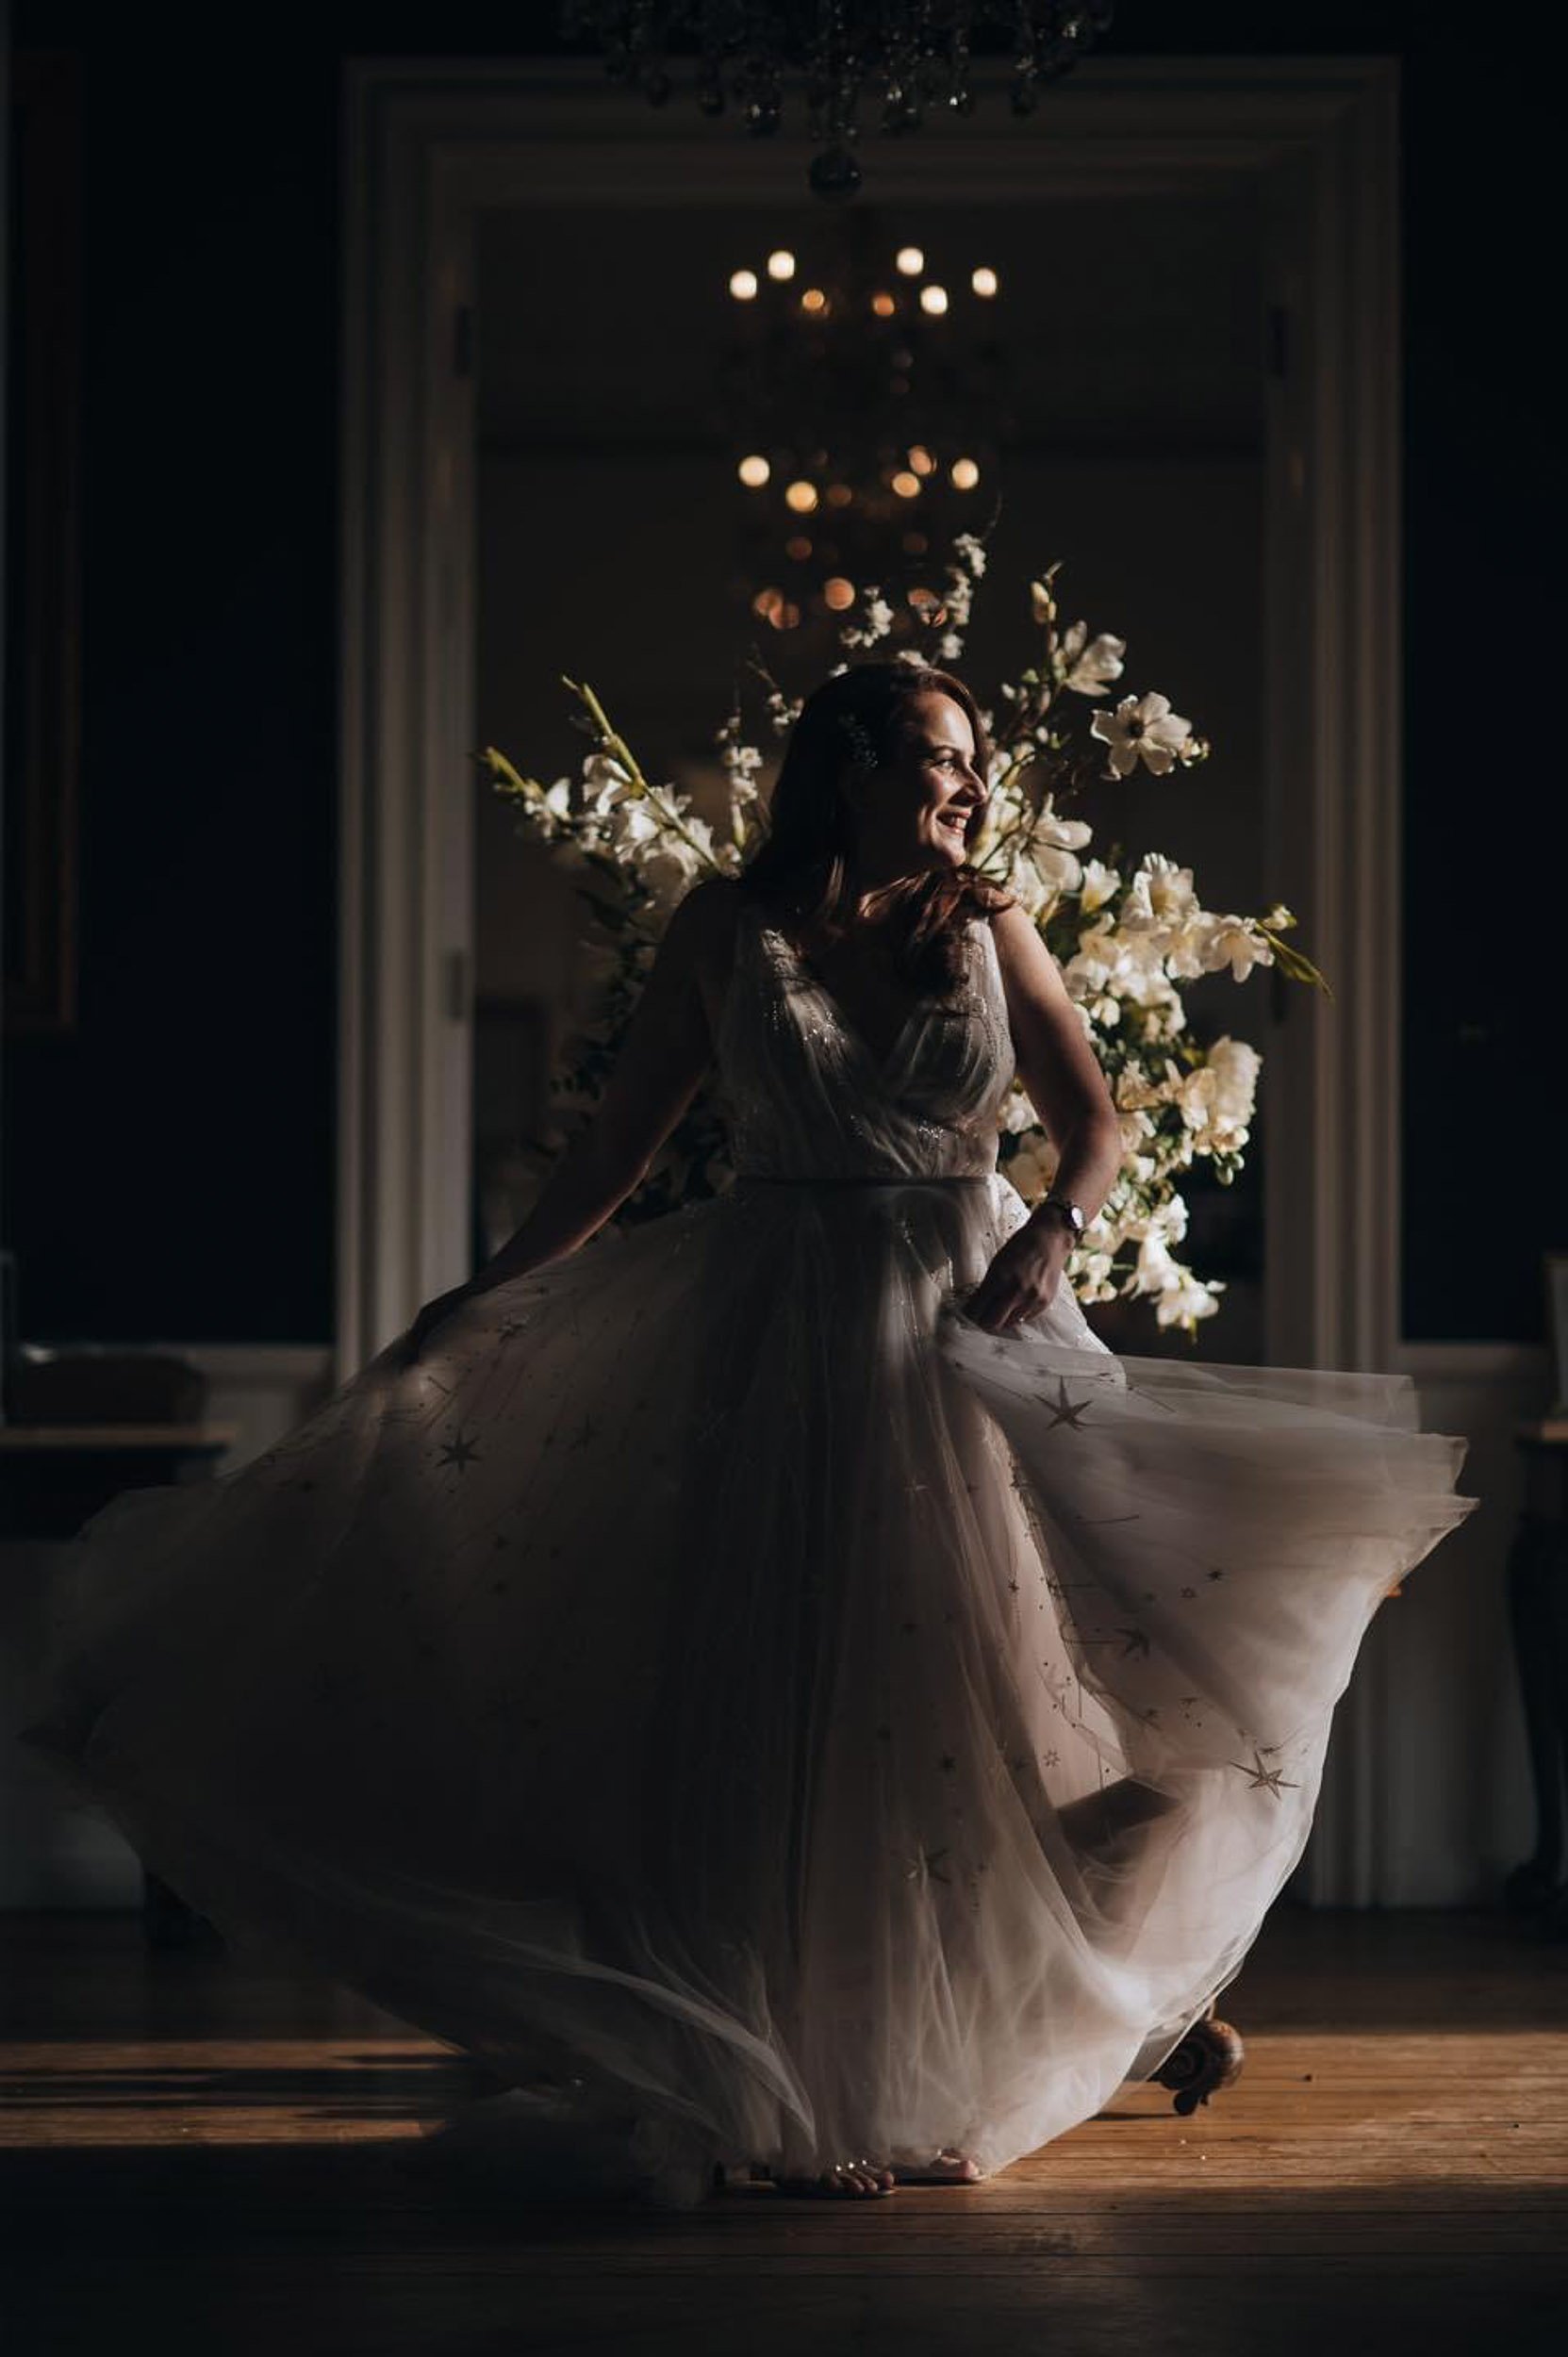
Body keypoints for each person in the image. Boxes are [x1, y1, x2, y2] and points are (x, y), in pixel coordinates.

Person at [21, 662, 1475, 2207]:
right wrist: (484, 1295)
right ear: (845, 768)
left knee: (975, 1706)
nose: (968, 786)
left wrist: (1057, 1224)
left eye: (975, 759)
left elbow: (1097, 1115)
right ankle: (783, 2083)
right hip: (771, 1332)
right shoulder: (727, 930)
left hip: (963, 1338)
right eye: (938, 757)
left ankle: (952, 2062)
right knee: (776, 1711)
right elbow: (614, 1149)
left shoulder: (986, 921)